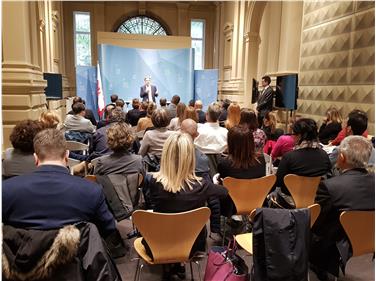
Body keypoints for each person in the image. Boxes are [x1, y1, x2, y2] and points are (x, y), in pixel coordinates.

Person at [3, 129, 117, 239]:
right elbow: (108, 229)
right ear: (67, 155)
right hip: (76, 256)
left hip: (21, 256)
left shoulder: (6, 189)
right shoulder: (92, 191)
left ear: (35, 158)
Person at [142, 132, 228, 278]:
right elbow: (225, 192)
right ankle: (178, 264)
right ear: (190, 157)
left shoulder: (153, 182)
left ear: (166, 155)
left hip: (157, 244)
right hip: (193, 246)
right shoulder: (202, 185)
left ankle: (170, 266)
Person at [310, 136, 374, 280]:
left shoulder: (330, 186)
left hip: (338, 244)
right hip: (370, 239)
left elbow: (317, 223)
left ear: (342, 157)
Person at [275, 118, 331, 194]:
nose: (292, 137)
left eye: (293, 134)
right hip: (316, 201)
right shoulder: (324, 155)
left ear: (299, 136)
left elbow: (278, 182)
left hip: (290, 202)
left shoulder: (289, 157)